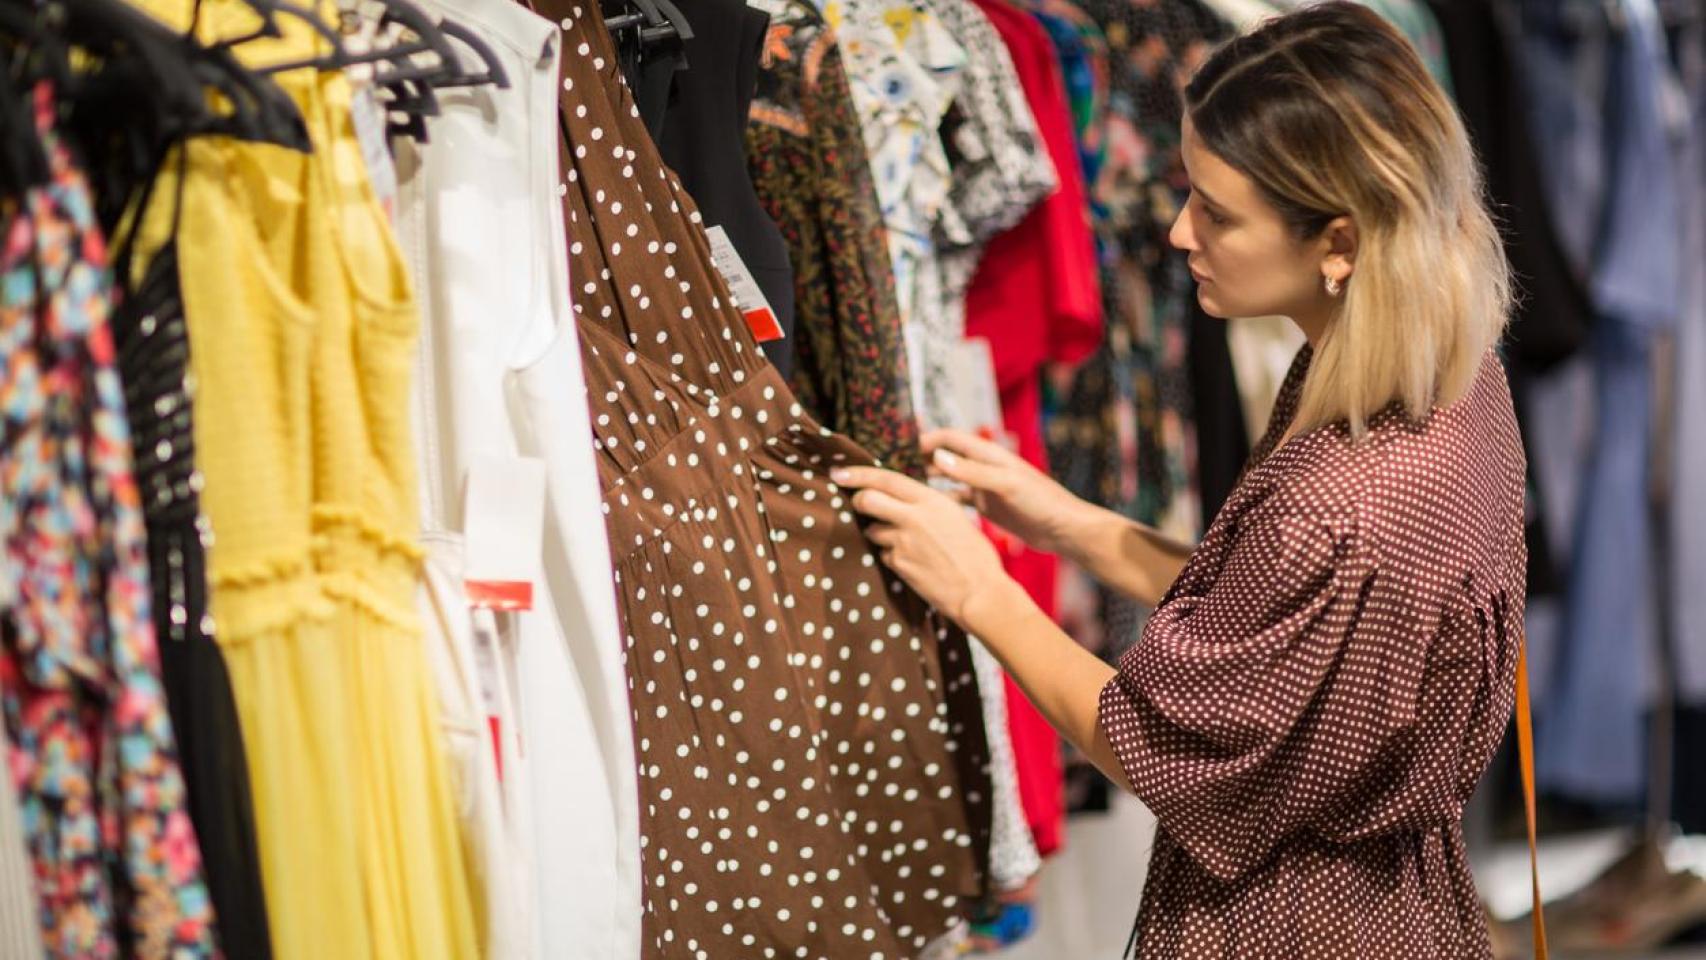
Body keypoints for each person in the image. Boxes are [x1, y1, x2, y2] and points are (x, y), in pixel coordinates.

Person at [831, 3, 1527, 957]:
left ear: (1340, 243)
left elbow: (1156, 745)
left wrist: (976, 590)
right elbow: (1290, 629)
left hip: (1291, 926)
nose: (1175, 232)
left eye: (1217, 212)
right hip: (1400, 907)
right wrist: (1072, 523)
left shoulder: (1346, 495)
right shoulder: (1451, 379)